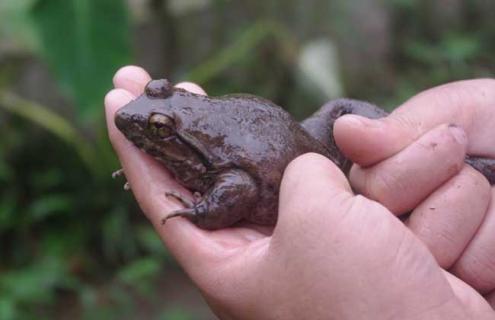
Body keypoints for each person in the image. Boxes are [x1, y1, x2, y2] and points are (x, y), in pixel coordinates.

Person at [105, 66, 495, 319]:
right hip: (276, 140)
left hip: (281, 168)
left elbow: (238, 186)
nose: (139, 118)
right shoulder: (191, 137)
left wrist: (202, 210)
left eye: (157, 128)